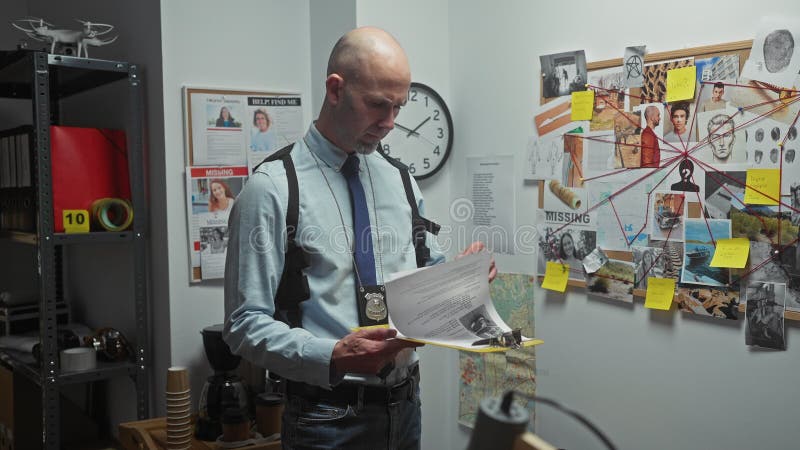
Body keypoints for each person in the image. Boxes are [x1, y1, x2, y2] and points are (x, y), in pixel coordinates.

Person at [223, 27, 495, 450]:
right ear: (335, 89)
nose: (389, 124)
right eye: (377, 105)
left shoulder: (401, 179)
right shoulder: (272, 189)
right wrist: (332, 355)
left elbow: (427, 271)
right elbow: (243, 325)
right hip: (325, 417)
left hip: (405, 406)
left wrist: (462, 277)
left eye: (398, 108)